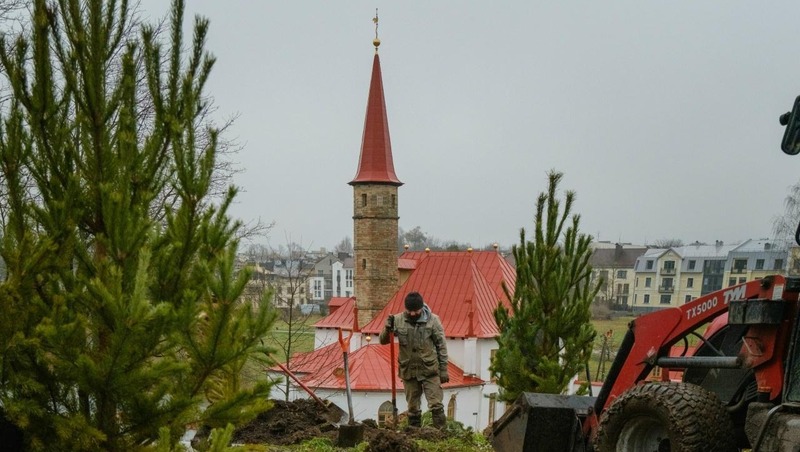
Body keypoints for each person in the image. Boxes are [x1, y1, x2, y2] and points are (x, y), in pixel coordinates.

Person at [380, 291, 449, 429]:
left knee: (436, 404)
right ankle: (414, 435)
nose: (412, 314)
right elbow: (383, 341)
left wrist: (443, 369)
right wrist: (387, 328)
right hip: (409, 371)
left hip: (430, 370)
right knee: (412, 407)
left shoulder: (433, 321)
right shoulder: (397, 320)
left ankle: (442, 434)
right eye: (409, 311)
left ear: (421, 308)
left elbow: (441, 346)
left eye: (415, 311)